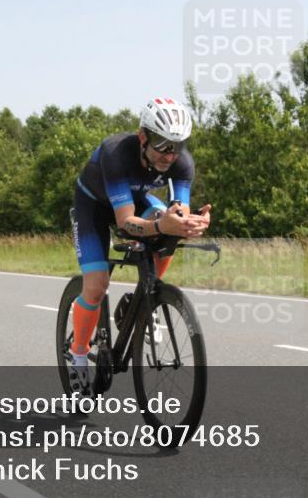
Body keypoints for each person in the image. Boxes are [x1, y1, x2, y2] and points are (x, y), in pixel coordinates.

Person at [68, 98, 211, 395]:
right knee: (96, 285)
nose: (171, 154)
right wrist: (160, 224)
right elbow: (125, 223)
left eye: (178, 144)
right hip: (94, 207)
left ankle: (145, 299)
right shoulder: (116, 153)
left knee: (169, 232)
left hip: (136, 201)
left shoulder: (182, 162)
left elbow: (178, 212)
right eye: (163, 144)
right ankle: (78, 354)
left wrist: (188, 224)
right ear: (143, 136)